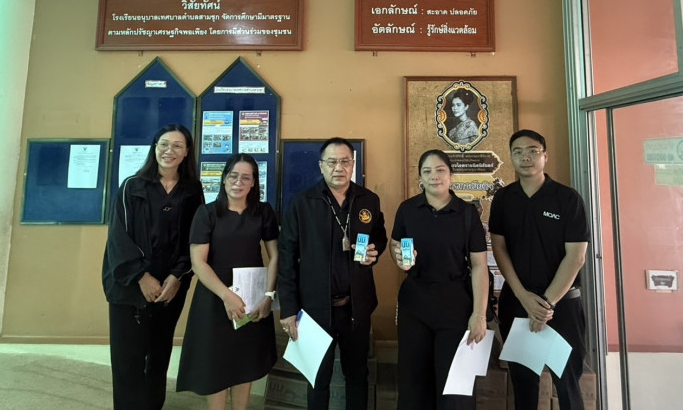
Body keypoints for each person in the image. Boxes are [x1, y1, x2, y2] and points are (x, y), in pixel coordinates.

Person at [277, 137, 387, 410]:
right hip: (314, 310)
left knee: (357, 376)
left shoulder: (368, 200)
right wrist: (288, 308)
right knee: (317, 379)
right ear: (321, 166)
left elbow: (379, 237)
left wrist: (374, 251)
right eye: (332, 162)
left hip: (356, 309)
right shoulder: (302, 203)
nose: (339, 167)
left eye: (345, 161)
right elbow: (286, 259)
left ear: (353, 164)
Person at [102, 123, 204, 410]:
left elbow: (195, 237)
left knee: (159, 353)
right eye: (164, 144)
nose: (169, 151)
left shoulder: (192, 190)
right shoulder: (132, 186)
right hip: (130, 285)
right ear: (155, 148)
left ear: (187, 152)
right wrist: (141, 277)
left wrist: (177, 276)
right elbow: (119, 237)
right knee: (128, 358)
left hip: (171, 287)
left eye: (177, 146)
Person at [488, 129, 589, 410]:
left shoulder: (567, 199)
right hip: (517, 302)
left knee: (568, 385)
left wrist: (546, 305)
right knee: (523, 385)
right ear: (511, 158)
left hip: (562, 305)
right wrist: (523, 297)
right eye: (518, 152)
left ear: (545, 156)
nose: (525, 157)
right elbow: (499, 249)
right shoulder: (504, 199)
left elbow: (576, 257)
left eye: (532, 151)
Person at [176, 153, 279, 409]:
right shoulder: (207, 213)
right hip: (214, 297)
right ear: (224, 179)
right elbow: (198, 262)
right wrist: (226, 295)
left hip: (251, 296)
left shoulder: (263, 212)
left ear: (254, 182)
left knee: (245, 359)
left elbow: (276, 255)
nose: (238, 182)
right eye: (233, 176)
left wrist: (269, 296)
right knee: (216, 361)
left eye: (246, 177)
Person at [390, 149, 488, 410]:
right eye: (427, 171)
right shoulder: (407, 209)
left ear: (450, 175)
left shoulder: (467, 213)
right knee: (413, 384)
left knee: (455, 388)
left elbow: (479, 265)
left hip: (455, 305)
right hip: (415, 304)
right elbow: (395, 244)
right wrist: (398, 257)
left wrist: (479, 315)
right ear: (420, 178)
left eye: (440, 170)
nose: (434, 176)